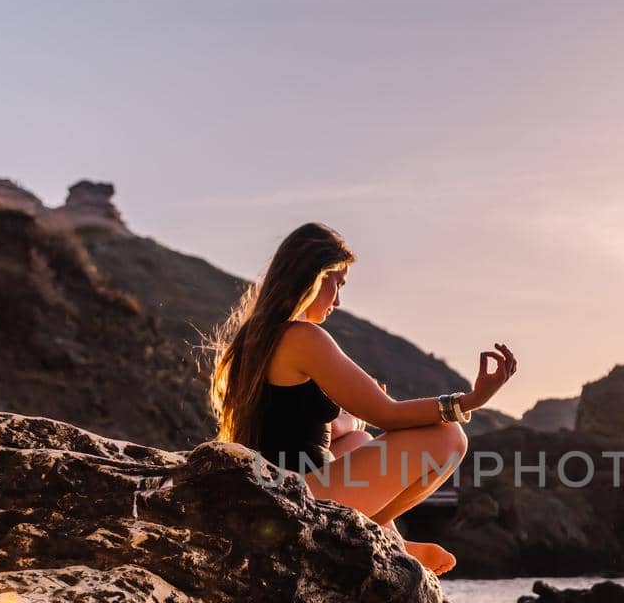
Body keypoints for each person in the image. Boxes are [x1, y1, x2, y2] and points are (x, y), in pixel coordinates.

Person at [208, 222, 517, 576]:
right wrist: (471, 401)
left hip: (272, 488)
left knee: (358, 439)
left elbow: (298, 427)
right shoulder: (302, 337)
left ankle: (392, 539)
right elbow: (387, 414)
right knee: (448, 437)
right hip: (294, 500)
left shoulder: (258, 339)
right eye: (336, 284)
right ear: (313, 277)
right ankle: (383, 541)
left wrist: (350, 421)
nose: (338, 301)